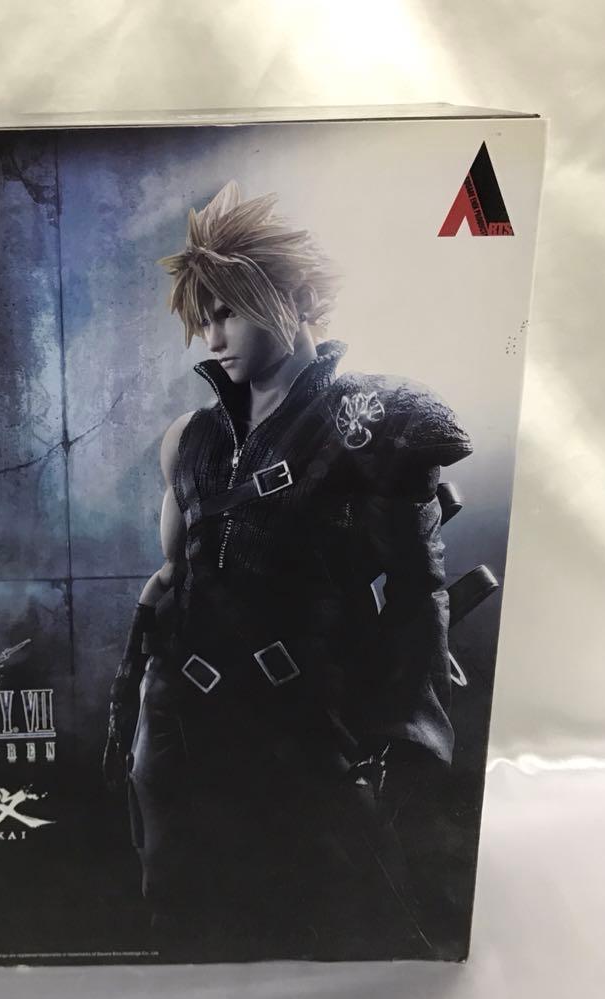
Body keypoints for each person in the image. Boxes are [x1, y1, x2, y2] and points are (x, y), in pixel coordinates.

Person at [102, 181, 474, 957]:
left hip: (306, 731)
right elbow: (170, 577)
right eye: (202, 320)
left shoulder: (379, 420)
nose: (211, 339)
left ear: (295, 298)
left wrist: (408, 729)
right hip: (181, 730)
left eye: (227, 313)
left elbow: (419, 590)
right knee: (183, 923)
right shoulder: (190, 440)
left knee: (333, 925)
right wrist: (139, 713)